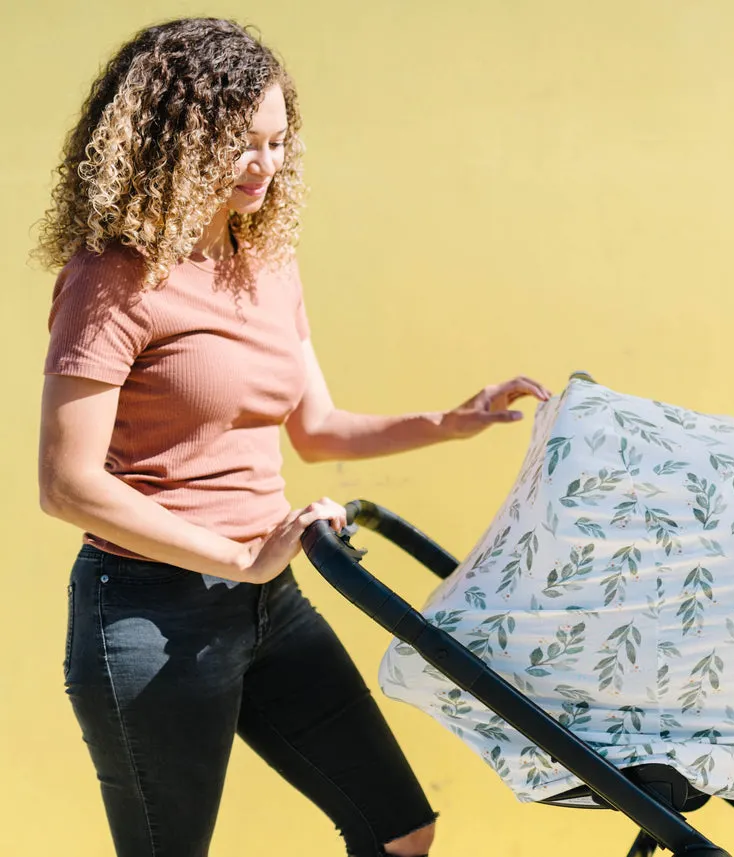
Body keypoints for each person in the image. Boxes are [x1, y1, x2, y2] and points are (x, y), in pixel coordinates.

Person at [35, 17, 551, 857]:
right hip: (147, 614)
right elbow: (68, 483)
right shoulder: (112, 277)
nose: (265, 166)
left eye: (278, 143)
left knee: (401, 831)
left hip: (270, 603)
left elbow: (317, 430)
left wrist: (451, 421)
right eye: (240, 144)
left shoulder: (265, 261)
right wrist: (236, 556)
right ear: (172, 140)